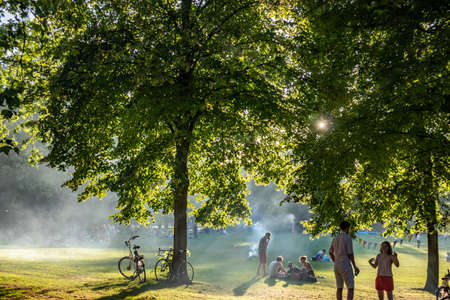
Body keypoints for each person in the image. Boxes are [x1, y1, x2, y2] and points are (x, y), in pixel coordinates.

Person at [329, 221, 360, 300]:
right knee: (350, 287)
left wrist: (335, 261)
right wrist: (355, 266)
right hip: (345, 264)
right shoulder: (347, 237)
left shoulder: (335, 238)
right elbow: (350, 253)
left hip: (337, 265)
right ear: (347, 228)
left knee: (339, 288)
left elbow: (330, 252)